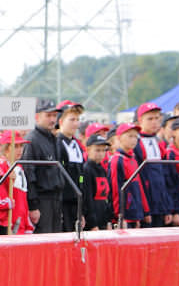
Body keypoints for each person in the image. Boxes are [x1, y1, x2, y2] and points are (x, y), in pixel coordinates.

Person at [133, 102, 176, 227]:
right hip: (145, 205)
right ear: (140, 120)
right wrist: (142, 210)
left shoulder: (159, 143)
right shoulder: (136, 143)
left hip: (160, 205)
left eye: (157, 118)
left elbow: (165, 177)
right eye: (150, 119)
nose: (154, 122)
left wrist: (167, 207)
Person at [23, 99, 62, 232]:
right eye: (48, 115)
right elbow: (29, 173)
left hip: (55, 199)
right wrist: (33, 206)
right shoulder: (32, 139)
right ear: (37, 116)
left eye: (54, 116)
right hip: (42, 200)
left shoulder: (53, 138)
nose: (52, 119)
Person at [109, 122, 149, 227]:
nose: (134, 139)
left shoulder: (133, 158)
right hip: (125, 215)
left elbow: (139, 186)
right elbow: (116, 190)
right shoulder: (117, 160)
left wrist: (145, 211)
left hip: (135, 213)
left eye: (136, 136)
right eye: (130, 136)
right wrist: (119, 216)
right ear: (119, 138)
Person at [56, 102, 85, 232]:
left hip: (76, 202)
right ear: (61, 121)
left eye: (78, 119)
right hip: (63, 203)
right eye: (72, 119)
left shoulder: (76, 144)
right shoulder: (57, 143)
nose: (76, 123)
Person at [0, 130, 33, 234]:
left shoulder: (19, 167)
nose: (20, 150)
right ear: (6, 148)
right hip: (10, 224)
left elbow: (22, 198)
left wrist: (27, 224)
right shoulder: (1, 166)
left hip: (21, 223)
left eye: (21, 146)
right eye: (15, 146)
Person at [82, 134, 113, 230]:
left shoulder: (102, 170)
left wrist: (108, 220)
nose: (101, 153)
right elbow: (87, 198)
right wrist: (92, 223)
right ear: (88, 150)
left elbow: (107, 197)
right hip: (93, 221)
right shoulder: (86, 169)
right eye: (97, 150)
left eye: (104, 150)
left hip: (103, 218)